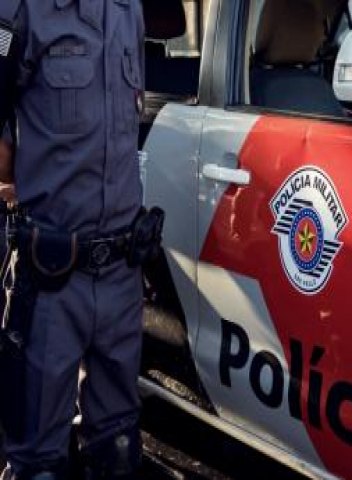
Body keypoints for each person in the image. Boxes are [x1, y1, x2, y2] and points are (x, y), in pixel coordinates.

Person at [0, 0, 159, 478]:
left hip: (121, 276)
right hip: (50, 281)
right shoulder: (18, 10)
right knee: (38, 462)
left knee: (118, 449)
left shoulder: (129, 9)